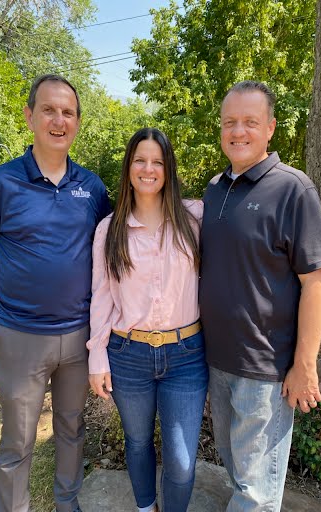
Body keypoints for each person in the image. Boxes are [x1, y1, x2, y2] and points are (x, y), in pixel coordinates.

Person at [199, 80, 321, 512]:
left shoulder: (293, 189)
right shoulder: (214, 189)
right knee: (239, 471)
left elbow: (317, 282)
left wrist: (303, 367)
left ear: (271, 128)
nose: (238, 131)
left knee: (256, 494)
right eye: (229, 122)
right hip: (217, 362)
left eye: (250, 122)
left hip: (266, 372)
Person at [0, 74, 110, 512]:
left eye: (68, 112)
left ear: (78, 122)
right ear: (30, 115)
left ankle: (68, 504)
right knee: (18, 439)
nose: (58, 120)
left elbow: (113, 250)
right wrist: (7, 294)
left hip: (79, 338)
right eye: (49, 110)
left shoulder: (93, 188)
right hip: (21, 338)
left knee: (71, 430)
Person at [87, 127, 208, 512]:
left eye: (157, 161)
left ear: (168, 169)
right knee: (137, 441)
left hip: (186, 355)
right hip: (128, 353)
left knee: (181, 460)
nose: (148, 168)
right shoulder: (110, 229)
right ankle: (145, 507)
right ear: (128, 167)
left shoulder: (195, 219)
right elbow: (102, 296)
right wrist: (97, 355)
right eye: (140, 160)